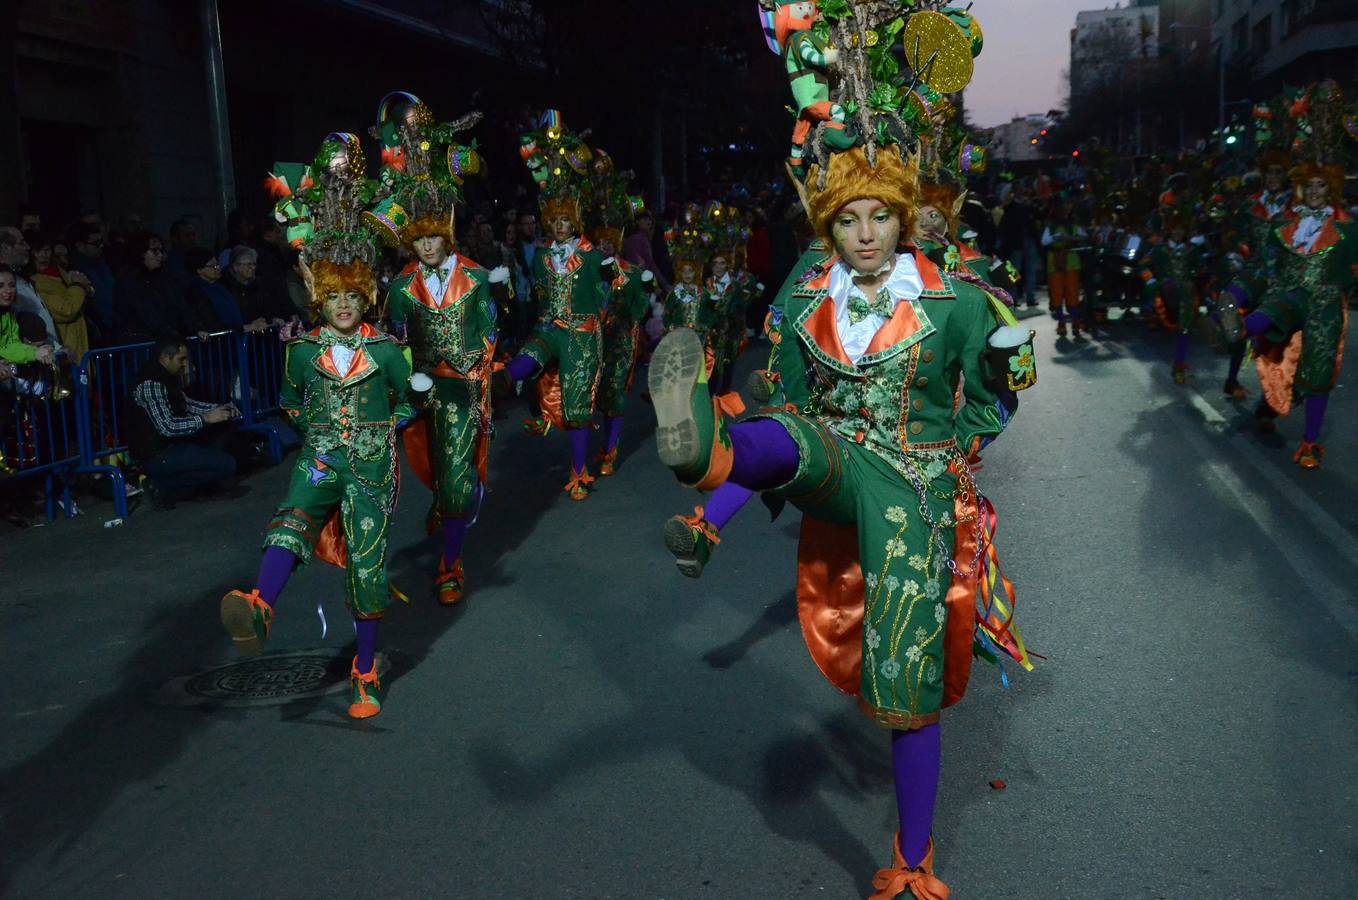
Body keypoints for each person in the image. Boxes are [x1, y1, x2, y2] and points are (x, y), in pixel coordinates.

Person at [651, 6, 1033, 892]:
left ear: (905, 218)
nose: (864, 234)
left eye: (880, 218)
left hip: (912, 487)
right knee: (783, 437)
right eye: (848, 219)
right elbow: (782, 379)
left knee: (908, 685)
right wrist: (735, 403)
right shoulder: (810, 285)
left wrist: (1007, 378)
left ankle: (912, 859)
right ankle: (698, 457)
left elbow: (986, 414)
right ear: (828, 223)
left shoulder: (962, 300)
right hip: (834, 451)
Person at [221, 132, 413, 719]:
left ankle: (363, 669)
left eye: (353, 296)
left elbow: (406, 403)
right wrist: (321, 436)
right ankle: (259, 604)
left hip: (374, 466)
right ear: (319, 302)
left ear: (365, 297)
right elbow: (292, 403)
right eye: (334, 299)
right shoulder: (302, 352)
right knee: (291, 518)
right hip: (324, 456)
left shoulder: (385, 351)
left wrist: (387, 428)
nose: (344, 306)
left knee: (367, 566)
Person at [373, 92, 504, 607]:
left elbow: (491, 332)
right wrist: (405, 380)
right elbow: (395, 341)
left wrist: (478, 372)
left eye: (434, 238)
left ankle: (450, 565)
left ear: (445, 233)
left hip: (460, 390)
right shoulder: (402, 287)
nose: (428, 247)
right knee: (381, 459)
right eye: (419, 240)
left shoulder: (474, 277)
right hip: (419, 389)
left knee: (455, 482)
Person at [506, 110, 611, 501]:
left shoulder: (591, 256)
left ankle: (579, 471)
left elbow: (611, 284)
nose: (561, 226)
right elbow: (538, 296)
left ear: (575, 221)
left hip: (581, 335)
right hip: (550, 328)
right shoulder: (540, 256)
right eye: (556, 221)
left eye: (567, 220)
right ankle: (492, 384)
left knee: (578, 403)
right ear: (549, 223)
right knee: (525, 361)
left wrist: (613, 287)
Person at [127, 338, 241, 507]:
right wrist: (205, 418)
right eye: (181, 359)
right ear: (166, 357)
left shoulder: (166, 377)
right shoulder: (151, 384)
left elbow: (187, 405)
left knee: (222, 432)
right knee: (225, 465)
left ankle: (192, 487)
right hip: (156, 453)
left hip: (170, 446)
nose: (185, 364)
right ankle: (162, 485)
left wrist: (219, 409)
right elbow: (167, 427)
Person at [26, 231, 92, 365]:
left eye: (47, 250)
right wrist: (78, 285)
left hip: (80, 345)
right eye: (38, 251)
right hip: (63, 351)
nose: (44, 255)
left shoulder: (61, 273)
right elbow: (66, 310)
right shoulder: (34, 284)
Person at [0, 227, 61, 349]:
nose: (27, 247)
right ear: (5, 248)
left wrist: (56, 347)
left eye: (11, 285)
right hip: (27, 360)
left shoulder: (23, 277)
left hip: (45, 354)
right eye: (21, 243)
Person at [69, 221, 117, 340]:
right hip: (98, 333)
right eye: (96, 243)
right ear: (80, 245)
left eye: (101, 242)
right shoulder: (75, 271)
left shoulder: (104, 262)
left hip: (114, 327)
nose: (101, 246)